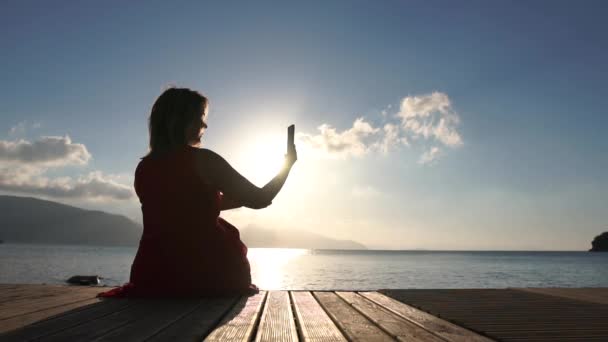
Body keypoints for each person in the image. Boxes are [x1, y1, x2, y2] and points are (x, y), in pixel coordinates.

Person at [99, 87, 297, 297]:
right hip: (207, 274)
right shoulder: (204, 159)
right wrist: (288, 165)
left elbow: (190, 207)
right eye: (200, 117)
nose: (205, 125)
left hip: (153, 275)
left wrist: (235, 198)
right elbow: (260, 199)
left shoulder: (144, 167)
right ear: (180, 120)